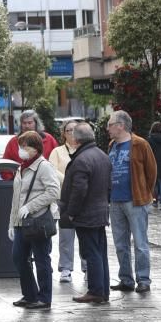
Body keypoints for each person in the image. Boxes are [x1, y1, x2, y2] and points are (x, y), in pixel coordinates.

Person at [7, 131, 61, 310]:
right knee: (18, 258)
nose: (21, 150)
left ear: (36, 148)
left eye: (25, 147)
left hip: (38, 221)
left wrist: (30, 207)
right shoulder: (21, 167)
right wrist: (12, 223)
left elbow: (53, 191)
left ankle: (44, 298)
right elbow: (16, 198)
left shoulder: (43, 166)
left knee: (41, 259)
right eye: (20, 146)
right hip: (21, 222)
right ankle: (30, 295)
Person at [62, 123, 113, 304]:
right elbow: (108, 186)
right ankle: (102, 290)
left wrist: (72, 212)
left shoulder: (82, 159)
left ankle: (96, 291)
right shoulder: (102, 156)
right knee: (100, 253)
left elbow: (79, 190)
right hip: (100, 212)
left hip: (86, 215)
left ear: (76, 140)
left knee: (91, 253)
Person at [107, 111, 157, 293]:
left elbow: (152, 172)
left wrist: (145, 194)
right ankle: (126, 279)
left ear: (121, 125)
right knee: (120, 244)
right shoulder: (112, 145)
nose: (108, 128)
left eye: (110, 124)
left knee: (140, 243)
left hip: (135, 201)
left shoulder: (140, 144)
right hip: (115, 201)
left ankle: (143, 279)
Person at [47, 119, 86, 283]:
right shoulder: (57, 152)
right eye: (68, 130)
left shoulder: (84, 150)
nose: (72, 133)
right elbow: (51, 170)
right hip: (64, 198)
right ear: (64, 133)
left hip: (83, 198)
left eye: (75, 130)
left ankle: (87, 267)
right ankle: (65, 268)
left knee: (84, 235)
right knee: (66, 236)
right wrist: (70, 180)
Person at [1, 110, 58, 180]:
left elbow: (57, 162)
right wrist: (13, 181)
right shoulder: (13, 142)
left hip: (45, 181)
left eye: (30, 123)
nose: (27, 126)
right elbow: (5, 166)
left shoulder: (49, 139)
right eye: (24, 123)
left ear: (36, 123)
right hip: (22, 184)